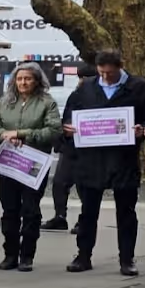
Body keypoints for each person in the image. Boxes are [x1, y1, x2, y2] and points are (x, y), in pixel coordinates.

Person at [61, 50, 145, 275]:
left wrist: (142, 130)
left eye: (110, 73)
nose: (105, 77)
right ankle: (83, 256)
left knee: (126, 212)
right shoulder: (86, 88)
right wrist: (68, 128)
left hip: (123, 158)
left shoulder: (139, 88)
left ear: (120, 67)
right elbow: (69, 115)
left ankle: (127, 259)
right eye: (101, 72)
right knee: (88, 211)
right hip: (91, 159)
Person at [0, 62, 61, 271]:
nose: (23, 82)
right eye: (19, 79)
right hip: (9, 162)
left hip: (34, 162)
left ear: (37, 80)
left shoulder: (47, 102)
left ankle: (27, 255)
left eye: (27, 78)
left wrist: (22, 134)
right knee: (9, 210)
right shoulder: (5, 101)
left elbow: (53, 131)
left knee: (30, 210)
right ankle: (10, 253)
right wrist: (3, 135)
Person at [43, 64, 99, 231]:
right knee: (60, 183)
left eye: (84, 77)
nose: (81, 81)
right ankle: (60, 216)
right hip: (70, 147)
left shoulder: (99, 97)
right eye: (80, 77)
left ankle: (84, 220)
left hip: (89, 150)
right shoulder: (75, 95)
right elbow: (67, 116)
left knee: (85, 186)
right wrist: (64, 132)